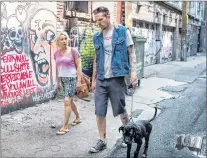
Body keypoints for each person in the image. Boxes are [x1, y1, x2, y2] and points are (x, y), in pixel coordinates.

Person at [89, 7, 138, 153]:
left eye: (100, 19)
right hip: (101, 79)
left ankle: (127, 133)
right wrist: (93, 79)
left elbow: (132, 53)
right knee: (99, 110)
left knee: (120, 109)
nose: (98, 23)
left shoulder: (122, 31)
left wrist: (133, 73)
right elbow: (96, 59)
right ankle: (102, 141)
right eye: (96, 20)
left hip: (116, 78)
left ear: (108, 17)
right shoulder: (97, 36)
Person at [54, 31, 82, 135]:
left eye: (65, 38)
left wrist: (79, 80)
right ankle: (78, 117)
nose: (64, 41)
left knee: (66, 101)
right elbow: (58, 68)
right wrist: (57, 82)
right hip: (62, 79)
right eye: (62, 39)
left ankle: (65, 126)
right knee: (69, 101)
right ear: (58, 42)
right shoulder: (56, 53)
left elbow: (79, 65)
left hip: (71, 78)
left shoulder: (73, 51)